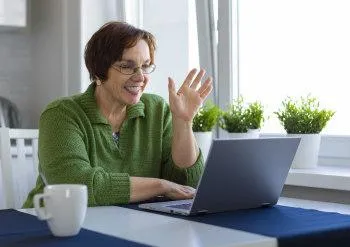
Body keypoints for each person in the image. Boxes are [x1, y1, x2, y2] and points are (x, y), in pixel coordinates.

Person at [23, 21, 213, 207]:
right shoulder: (61, 114)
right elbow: (76, 185)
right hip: (51, 226)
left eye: (145, 66)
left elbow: (187, 185)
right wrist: (159, 185)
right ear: (99, 72)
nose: (140, 77)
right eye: (127, 66)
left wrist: (183, 122)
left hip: (127, 224)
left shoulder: (157, 109)